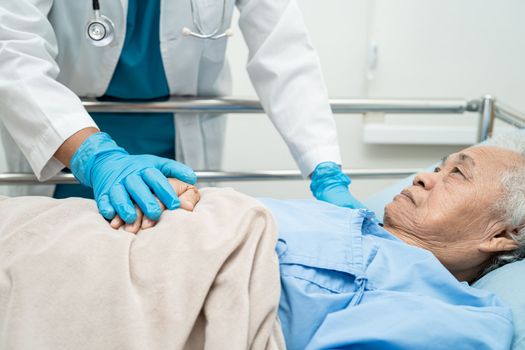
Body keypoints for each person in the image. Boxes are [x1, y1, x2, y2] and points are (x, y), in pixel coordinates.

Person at [108, 133, 525, 349]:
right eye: (438, 165)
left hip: (127, 292)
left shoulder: (455, 315)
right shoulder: (346, 219)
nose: (423, 176)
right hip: (112, 235)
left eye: (457, 174)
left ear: (504, 235)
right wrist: (181, 198)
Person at [0, 0, 361, 228]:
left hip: (177, 140)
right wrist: (95, 157)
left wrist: (324, 168)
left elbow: (285, 52)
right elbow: (13, 51)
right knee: (63, 255)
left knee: (173, 265)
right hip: (71, 139)